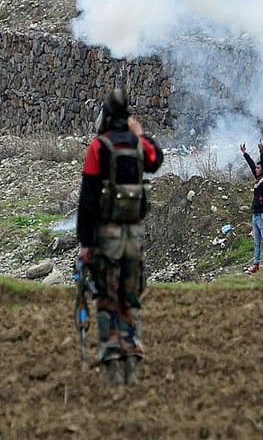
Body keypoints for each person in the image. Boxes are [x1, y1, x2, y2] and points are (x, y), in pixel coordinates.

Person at [77, 89, 163, 386]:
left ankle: (112, 365)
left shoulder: (98, 148)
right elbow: (156, 159)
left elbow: (88, 200)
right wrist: (141, 134)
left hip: (107, 238)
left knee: (107, 300)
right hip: (134, 237)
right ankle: (134, 365)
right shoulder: (139, 146)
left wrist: (85, 244)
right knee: (131, 300)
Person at [242, 141, 263, 274]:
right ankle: (256, 265)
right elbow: (251, 166)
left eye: (258, 168)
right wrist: (245, 154)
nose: (256, 169)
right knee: (257, 242)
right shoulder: (258, 179)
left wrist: (262, 152)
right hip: (255, 215)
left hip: (262, 215)